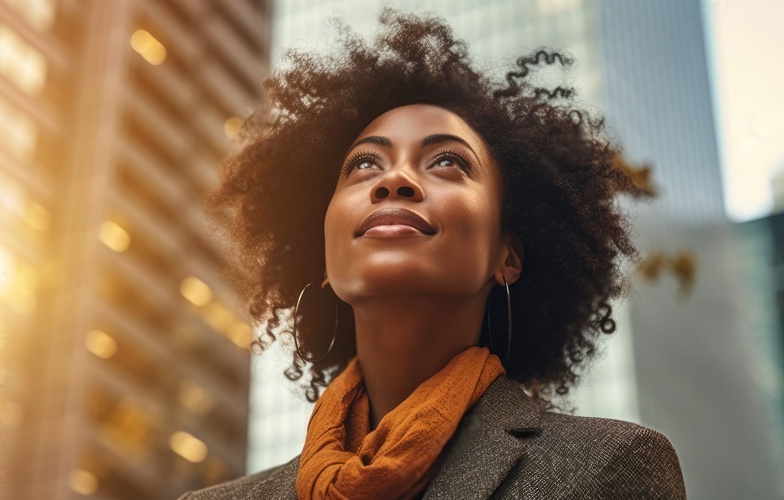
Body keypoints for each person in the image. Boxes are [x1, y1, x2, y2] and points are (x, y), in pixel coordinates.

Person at [179, 8, 685, 500]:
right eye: (363, 164)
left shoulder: (606, 470)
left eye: (447, 161)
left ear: (507, 256)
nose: (394, 179)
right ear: (323, 257)